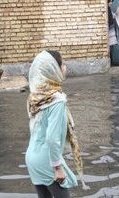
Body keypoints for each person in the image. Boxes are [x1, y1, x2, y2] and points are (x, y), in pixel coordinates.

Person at [26, 50, 84, 198]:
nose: (65, 67)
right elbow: (52, 138)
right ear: (53, 69)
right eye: (62, 64)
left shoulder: (36, 96)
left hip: (32, 158)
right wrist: (57, 167)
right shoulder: (56, 101)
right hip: (47, 160)